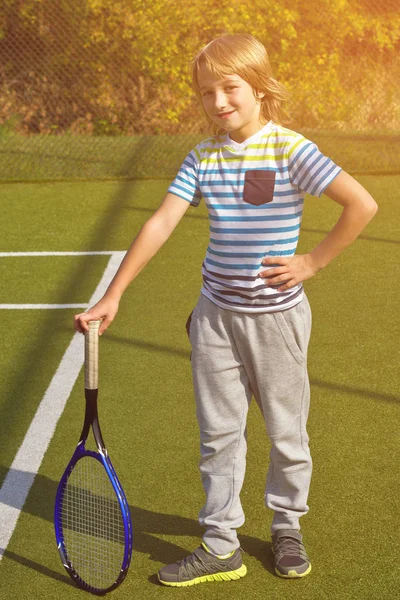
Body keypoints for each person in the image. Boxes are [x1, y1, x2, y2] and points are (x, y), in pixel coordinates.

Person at [74, 33, 378, 586]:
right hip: (214, 317)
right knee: (219, 435)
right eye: (206, 92)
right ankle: (220, 543)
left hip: (277, 320)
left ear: (260, 88)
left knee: (287, 432)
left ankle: (287, 526)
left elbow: (362, 204)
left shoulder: (290, 149)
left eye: (230, 88)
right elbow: (161, 222)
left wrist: (311, 262)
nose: (218, 102)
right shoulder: (203, 156)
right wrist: (114, 293)